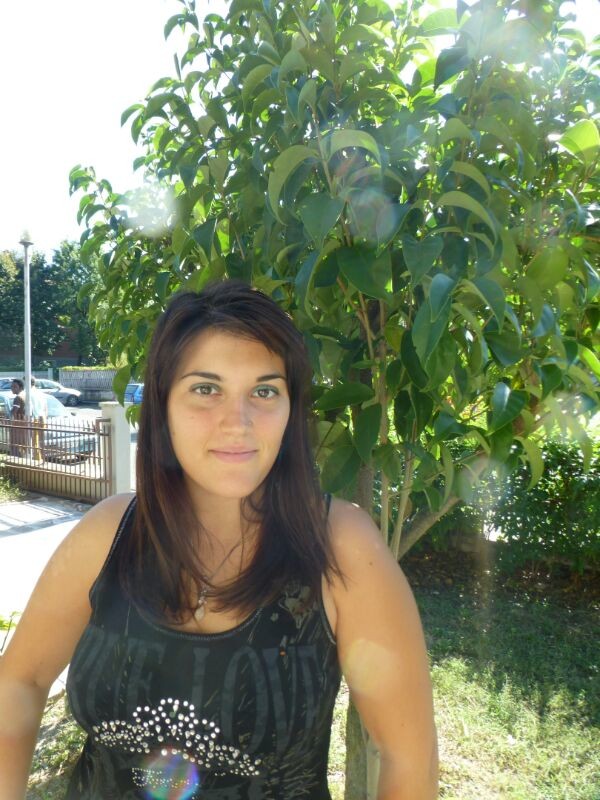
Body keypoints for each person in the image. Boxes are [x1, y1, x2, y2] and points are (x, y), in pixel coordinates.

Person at [0, 279, 438, 799]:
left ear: (291, 408)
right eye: (206, 389)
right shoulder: (109, 534)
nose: (238, 423)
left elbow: (407, 755)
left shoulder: (342, 547)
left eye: (264, 391)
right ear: (163, 405)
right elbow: (21, 680)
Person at [26, 377, 48, 462]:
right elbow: (45, 407)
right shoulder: (40, 393)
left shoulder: (28, 393)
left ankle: (37, 460)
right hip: (42, 417)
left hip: (35, 418)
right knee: (41, 441)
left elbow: (29, 407)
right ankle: (42, 459)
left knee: (34, 441)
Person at [8, 378, 26, 457]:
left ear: (21, 387)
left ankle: (16, 459)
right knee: (23, 446)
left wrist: (8, 416)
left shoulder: (18, 397)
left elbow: (14, 412)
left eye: (15, 386)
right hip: (24, 423)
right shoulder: (25, 395)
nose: (12, 388)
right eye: (11, 386)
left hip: (18, 424)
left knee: (15, 445)